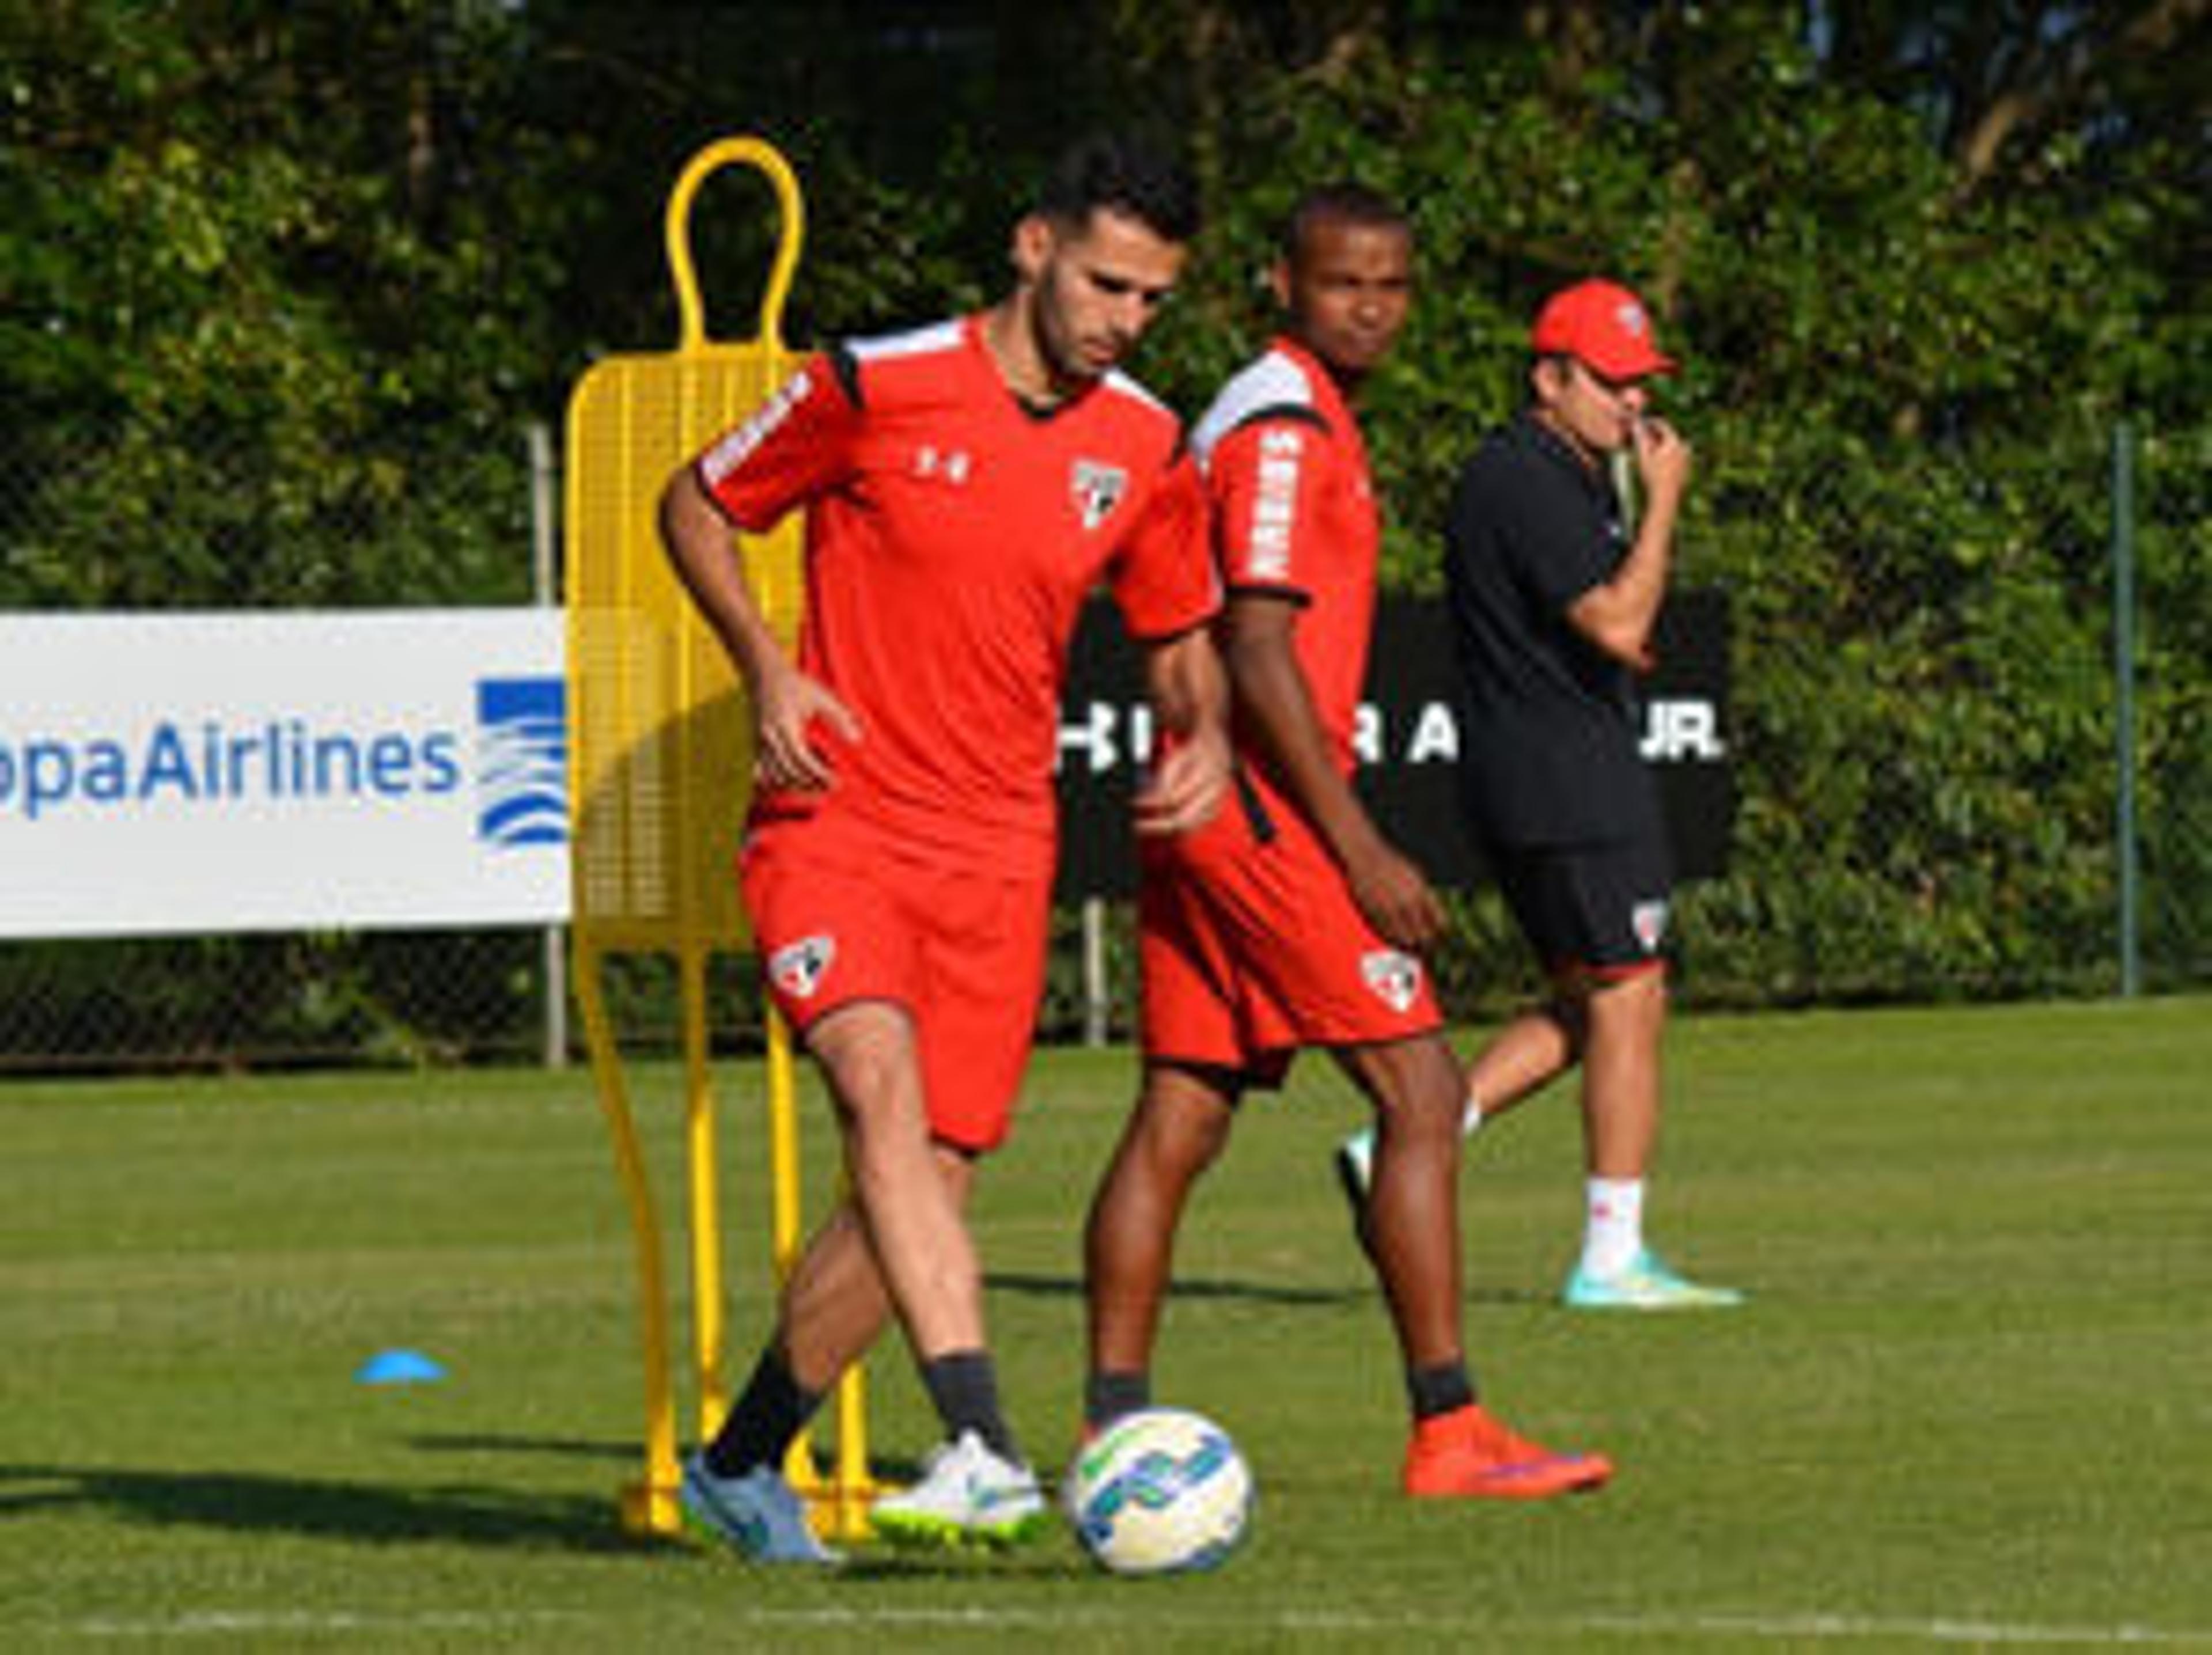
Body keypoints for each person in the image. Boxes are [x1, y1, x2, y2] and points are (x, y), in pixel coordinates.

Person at [657, 131, 1232, 1563]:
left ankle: (739, 1465)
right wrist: (765, 671)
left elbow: (1178, 637)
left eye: (1155, 300)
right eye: (1108, 285)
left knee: (922, 1190)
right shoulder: (875, 381)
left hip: (998, 853)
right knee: (878, 1086)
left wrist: (1201, 730)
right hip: (834, 820)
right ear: (1034, 246)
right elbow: (695, 500)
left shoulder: (1147, 443)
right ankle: (979, 1435)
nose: (1126, 321)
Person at [1080, 184, 1613, 1501]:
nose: (1370, 305)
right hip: (1258, 804)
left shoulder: (1299, 412)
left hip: (1215, 802)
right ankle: (1450, 1430)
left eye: (1391, 284)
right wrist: (1361, 844)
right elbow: (1258, 643)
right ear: (1282, 283)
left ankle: (1111, 1433)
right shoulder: (1276, 423)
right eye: (1342, 283)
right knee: (1423, 1097)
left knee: (1182, 1114)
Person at [1334, 277, 1743, 1312]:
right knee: (1630, 994)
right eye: (1612, 385)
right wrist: (1667, 504)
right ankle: (1613, 1255)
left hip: (1544, 769)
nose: (1634, 408)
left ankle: (1407, 1135)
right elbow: (1614, 622)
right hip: (1568, 779)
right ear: (1549, 378)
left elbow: (1611, 627)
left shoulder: (1564, 472)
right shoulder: (1527, 478)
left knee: (1585, 999)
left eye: (1643, 386)